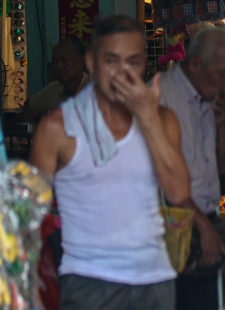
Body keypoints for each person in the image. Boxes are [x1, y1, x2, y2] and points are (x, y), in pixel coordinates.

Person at [30, 16, 190, 310]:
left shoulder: (162, 119)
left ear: (144, 64)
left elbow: (178, 193)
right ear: (91, 63)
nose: (122, 73)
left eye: (133, 62)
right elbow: (29, 218)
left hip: (155, 279)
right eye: (111, 61)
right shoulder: (57, 129)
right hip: (89, 282)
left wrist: (148, 118)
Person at [158, 27, 225, 310]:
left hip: (207, 218)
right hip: (171, 227)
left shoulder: (211, 96)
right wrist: (203, 228)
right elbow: (163, 182)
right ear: (195, 65)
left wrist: (222, 124)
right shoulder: (161, 98)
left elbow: (221, 166)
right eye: (223, 73)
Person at [21, 37, 88, 123]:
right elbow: (29, 107)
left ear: (82, 62)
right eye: (54, 61)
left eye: (64, 60)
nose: (58, 66)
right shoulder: (53, 90)